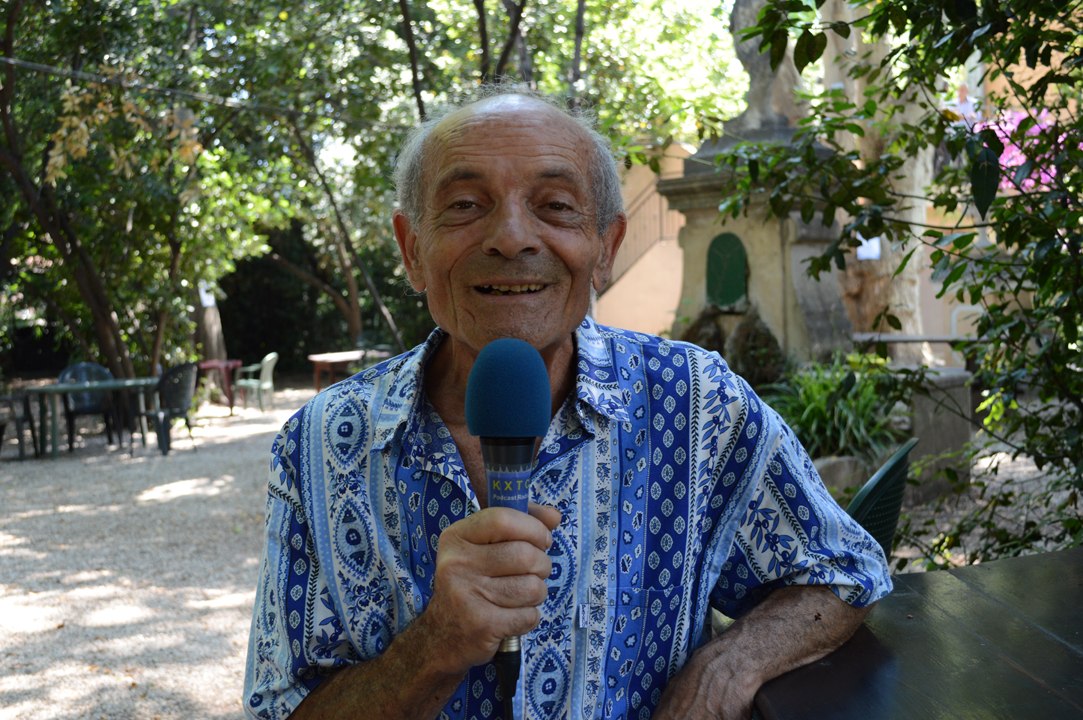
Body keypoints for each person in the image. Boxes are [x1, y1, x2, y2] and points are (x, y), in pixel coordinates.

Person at [243, 86, 892, 720]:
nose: (512, 237)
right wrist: (433, 645)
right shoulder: (323, 442)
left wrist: (726, 667)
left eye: (554, 207)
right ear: (412, 250)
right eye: (467, 205)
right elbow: (281, 708)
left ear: (605, 249)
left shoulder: (696, 403)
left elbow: (843, 570)